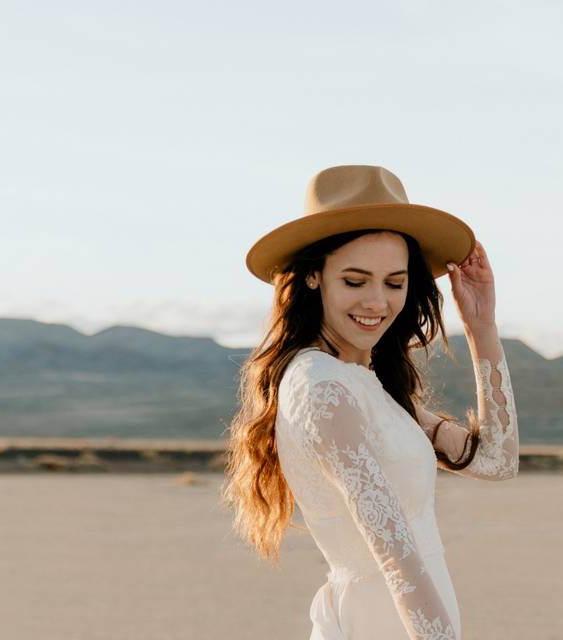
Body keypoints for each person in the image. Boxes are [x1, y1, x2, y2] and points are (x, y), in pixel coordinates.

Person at [221, 165, 519, 639]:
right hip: (387, 622)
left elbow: (497, 461)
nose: (376, 302)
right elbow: (396, 560)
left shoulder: (367, 384)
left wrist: (482, 327)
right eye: (355, 281)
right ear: (315, 276)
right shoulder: (322, 387)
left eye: (394, 283)